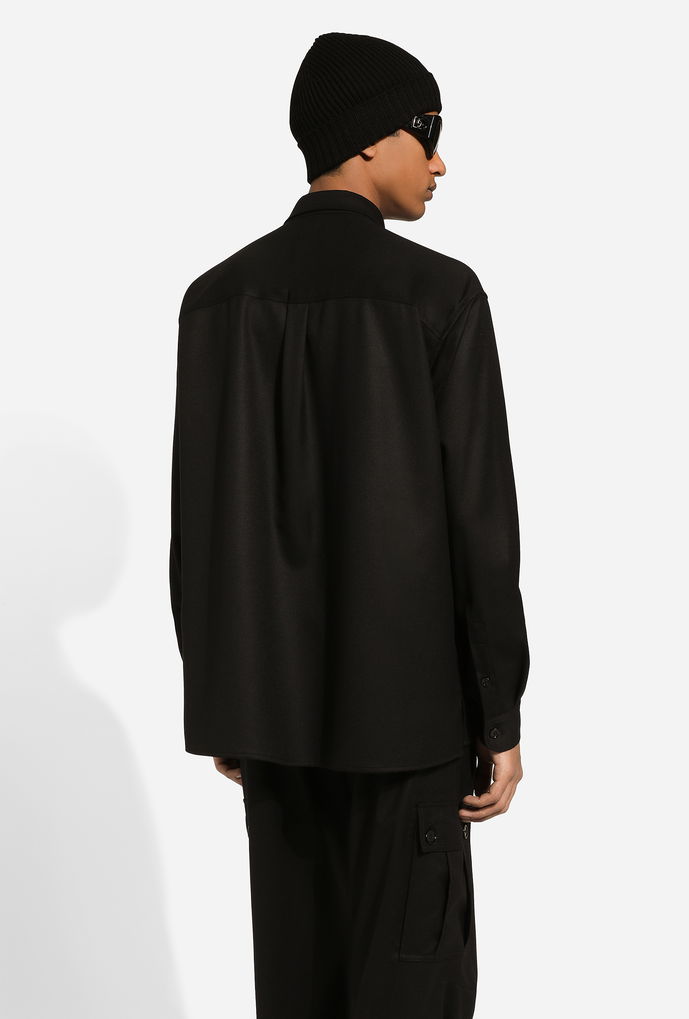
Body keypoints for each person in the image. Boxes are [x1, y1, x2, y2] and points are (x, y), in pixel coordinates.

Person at [169, 30, 530, 1019]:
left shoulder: (214, 301)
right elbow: (480, 529)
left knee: (298, 996)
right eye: (428, 132)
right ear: (370, 138)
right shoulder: (439, 296)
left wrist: (224, 694)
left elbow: (197, 519)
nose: (440, 161)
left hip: (273, 732)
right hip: (411, 737)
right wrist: (498, 714)